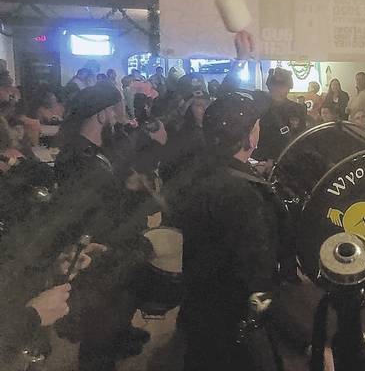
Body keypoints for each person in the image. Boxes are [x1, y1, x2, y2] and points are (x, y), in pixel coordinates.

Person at [175, 90, 294, 371]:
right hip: (231, 322)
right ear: (249, 137)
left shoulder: (202, 170)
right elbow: (257, 275)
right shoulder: (241, 195)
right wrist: (297, 334)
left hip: (200, 308)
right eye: (257, 124)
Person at [53, 82, 152, 371]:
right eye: (115, 109)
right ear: (100, 114)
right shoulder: (78, 157)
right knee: (99, 326)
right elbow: (87, 211)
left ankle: (118, 338)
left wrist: (129, 187)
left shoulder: (92, 150)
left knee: (116, 310)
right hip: (97, 251)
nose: (119, 115)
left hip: (110, 244)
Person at [252, 68, 306, 172]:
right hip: (261, 162)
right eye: (274, 85)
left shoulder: (298, 109)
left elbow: (301, 138)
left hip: (288, 162)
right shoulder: (259, 108)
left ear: (288, 88)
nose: (278, 89)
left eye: (282, 86)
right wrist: (268, 158)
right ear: (269, 86)